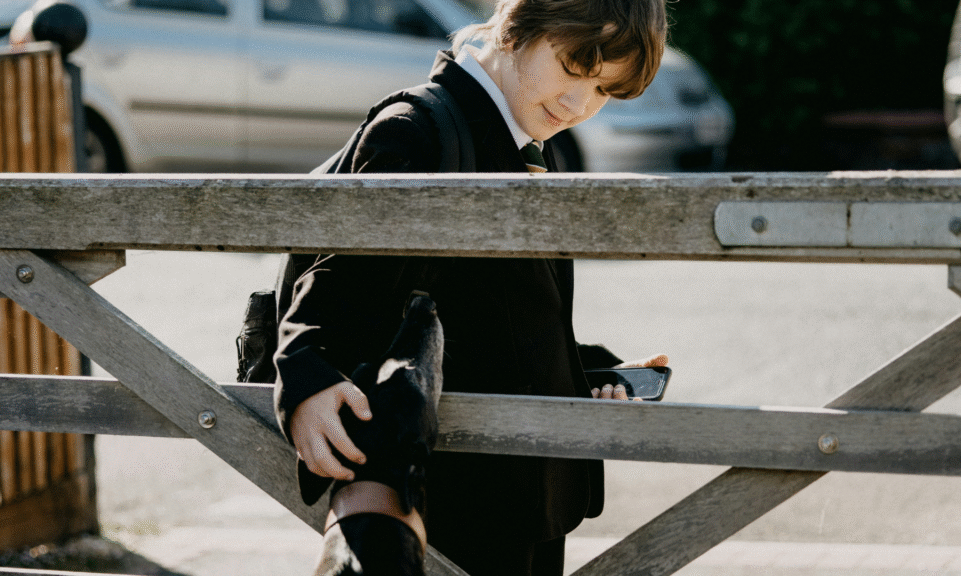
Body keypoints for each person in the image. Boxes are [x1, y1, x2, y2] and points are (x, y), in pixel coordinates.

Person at [274, 0, 668, 573]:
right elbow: (336, 289)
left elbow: (497, 309)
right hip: (452, 493)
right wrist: (306, 373)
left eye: (604, 91)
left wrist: (588, 372)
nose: (578, 104)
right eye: (572, 69)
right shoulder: (416, 132)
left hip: (521, 483)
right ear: (514, 29)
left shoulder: (531, 134)